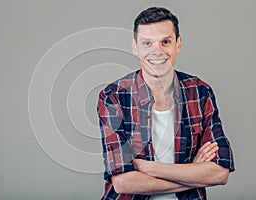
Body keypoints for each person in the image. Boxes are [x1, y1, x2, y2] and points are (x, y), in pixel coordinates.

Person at [97, 6, 234, 200]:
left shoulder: (200, 91)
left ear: (178, 44)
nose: (157, 51)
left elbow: (220, 173)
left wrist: (147, 167)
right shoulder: (113, 96)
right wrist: (194, 172)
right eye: (147, 43)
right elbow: (123, 182)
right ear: (135, 46)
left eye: (165, 42)